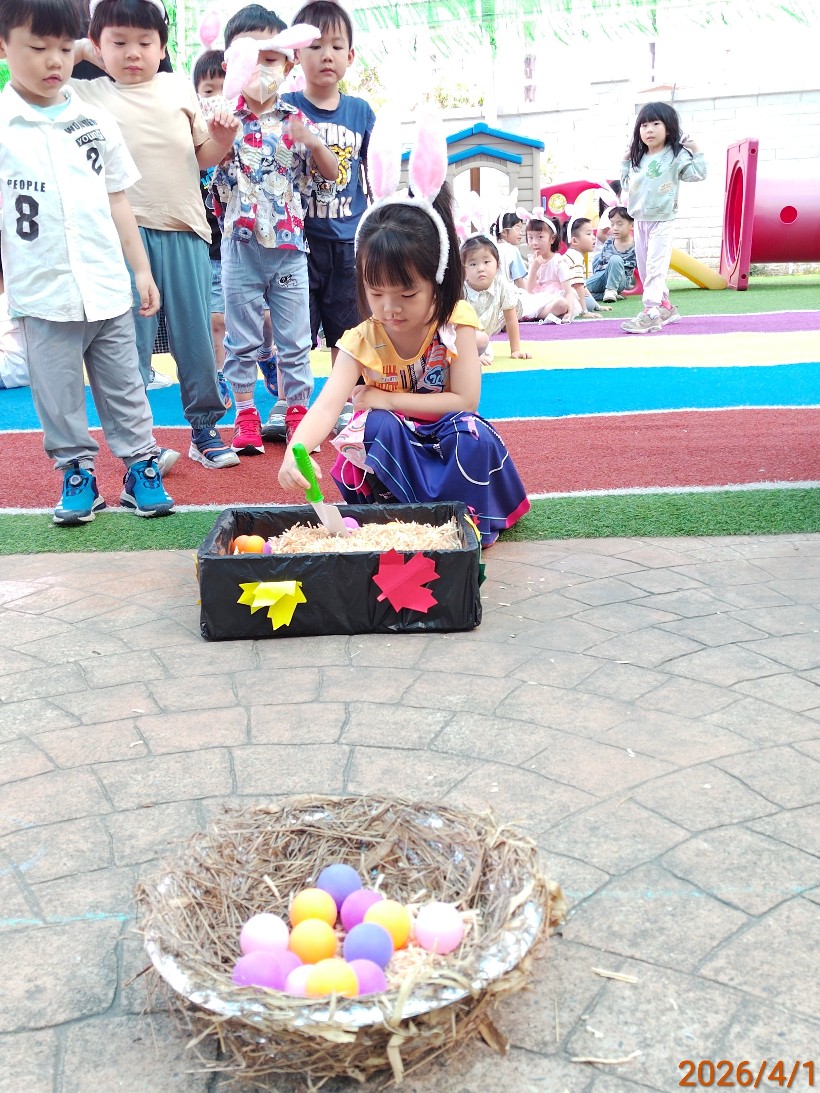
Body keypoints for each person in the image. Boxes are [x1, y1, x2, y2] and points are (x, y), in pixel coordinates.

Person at [278, 142, 530, 547]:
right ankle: (396, 520)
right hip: (394, 450)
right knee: (375, 426)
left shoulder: (455, 323)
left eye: (407, 294)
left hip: (446, 443)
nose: (390, 308)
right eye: (376, 293)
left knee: (470, 434)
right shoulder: (362, 339)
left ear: (438, 280)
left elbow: (465, 402)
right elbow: (326, 406)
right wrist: (297, 451)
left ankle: (460, 521)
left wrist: (387, 398)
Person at [0, 0, 174, 523]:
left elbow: (117, 198)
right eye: (38, 47)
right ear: (4, 46)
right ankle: (76, 473)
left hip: (106, 287)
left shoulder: (93, 120)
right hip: (42, 294)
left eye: (63, 47)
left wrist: (140, 270)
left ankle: (141, 467)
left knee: (126, 385)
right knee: (57, 394)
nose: (55, 60)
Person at [73, 0, 242, 469]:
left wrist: (223, 140)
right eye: (118, 42)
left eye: (145, 42)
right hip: (122, 237)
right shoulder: (85, 94)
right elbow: (36, 71)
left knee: (195, 337)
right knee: (129, 345)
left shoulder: (177, 87)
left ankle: (204, 430)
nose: (133, 52)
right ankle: (141, 444)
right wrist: (83, 50)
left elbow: (202, 155)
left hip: (186, 227)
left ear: (162, 48)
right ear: (98, 46)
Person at [212, 5, 338, 456]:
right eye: (250, 58)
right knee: (242, 339)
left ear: (287, 64)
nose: (260, 69)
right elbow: (205, 169)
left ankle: (297, 412)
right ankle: (245, 413)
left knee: (295, 339)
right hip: (240, 247)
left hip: (288, 248)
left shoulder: (295, 121)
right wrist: (218, 139)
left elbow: (331, 174)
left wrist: (314, 142)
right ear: (231, 64)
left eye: (270, 59)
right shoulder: (222, 119)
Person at [273, 0, 376, 441]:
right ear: (297, 54)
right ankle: (291, 405)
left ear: (350, 56)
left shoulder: (361, 113)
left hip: (349, 242)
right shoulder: (285, 107)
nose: (326, 55)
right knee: (293, 333)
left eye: (336, 46)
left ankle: (346, 406)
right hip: (297, 243)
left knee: (347, 331)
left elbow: (374, 175)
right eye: (315, 46)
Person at [620, 102, 706, 334]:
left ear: (668, 128)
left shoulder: (675, 155)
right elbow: (627, 185)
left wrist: (696, 150)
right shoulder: (638, 157)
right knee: (645, 269)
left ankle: (651, 312)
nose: (649, 129)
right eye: (644, 125)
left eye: (656, 124)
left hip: (663, 220)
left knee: (655, 268)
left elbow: (698, 174)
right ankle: (665, 306)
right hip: (640, 220)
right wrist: (625, 161)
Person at [461, 235, 531, 366]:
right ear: (464, 270)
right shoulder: (461, 290)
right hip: (459, 339)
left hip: (481, 340)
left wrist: (515, 350)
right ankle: (465, 357)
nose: (480, 268)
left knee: (484, 344)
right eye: (473, 264)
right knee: (479, 342)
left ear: (497, 265)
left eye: (486, 262)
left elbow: (511, 319)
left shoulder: (502, 285)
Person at [523, 214, 576, 323]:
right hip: (537, 298)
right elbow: (528, 290)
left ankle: (533, 315)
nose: (534, 242)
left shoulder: (558, 262)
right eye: (530, 237)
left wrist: (569, 312)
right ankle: (537, 314)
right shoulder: (533, 260)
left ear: (552, 239)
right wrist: (534, 269)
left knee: (562, 304)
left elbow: (568, 292)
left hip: (554, 298)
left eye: (540, 237)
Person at [587, 205, 636, 302]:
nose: (615, 228)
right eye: (612, 224)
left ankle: (611, 290)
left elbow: (643, 267)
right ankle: (603, 295)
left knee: (615, 259)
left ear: (632, 225)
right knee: (578, 289)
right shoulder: (609, 242)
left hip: (620, 280)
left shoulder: (636, 245)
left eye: (620, 224)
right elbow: (600, 265)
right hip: (603, 276)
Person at [562, 216, 601, 319]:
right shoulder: (575, 257)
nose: (593, 237)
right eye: (588, 234)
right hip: (567, 297)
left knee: (590, 302)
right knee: (588, 303)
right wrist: (585, 311)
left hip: (568, 295)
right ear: (574, 241)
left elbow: (582, 285)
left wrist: (597, 306)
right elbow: (578, 285)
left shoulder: (573, 255)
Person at [490, 211, 527, 287]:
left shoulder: (491, 248)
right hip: (508, 292)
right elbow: (518, 279)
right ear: (504, 232)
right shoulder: (512, 250)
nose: (520, 233)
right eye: (517, 228)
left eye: (521, 229)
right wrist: (525, 293)